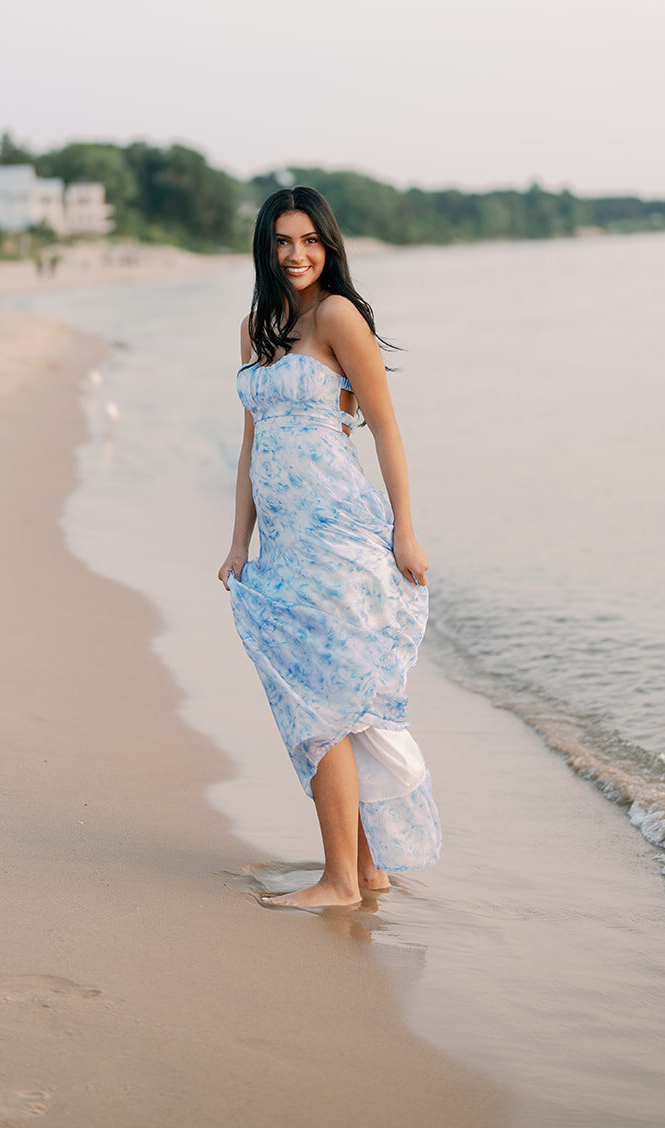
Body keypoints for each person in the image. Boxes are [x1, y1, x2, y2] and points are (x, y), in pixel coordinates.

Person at [218, 186, 441, 910]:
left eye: (309, 240)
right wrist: (238, 542)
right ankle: (365, 871)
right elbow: (253, 444)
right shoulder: (256, 328)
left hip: (339, 536)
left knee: (327, 706)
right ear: (265, 247)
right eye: (282, 241)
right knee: (332, 701)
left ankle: (340, 880)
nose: (296, 255)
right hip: (285, 547)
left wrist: (405, 529)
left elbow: (385, 425)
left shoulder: (338, 316)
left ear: (328, 245)